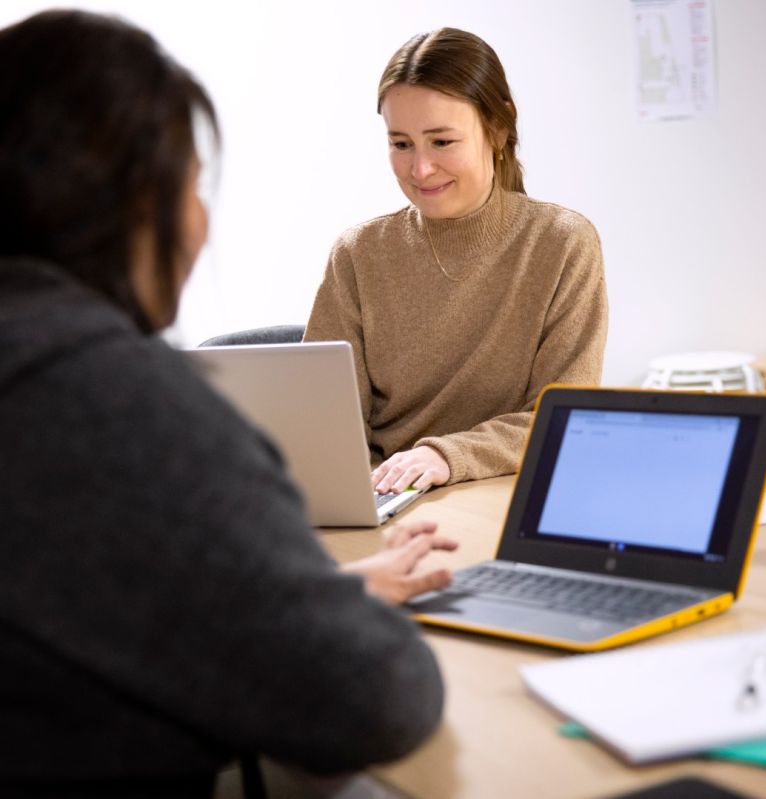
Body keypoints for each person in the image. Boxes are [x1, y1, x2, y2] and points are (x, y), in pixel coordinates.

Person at [0, 10, 458, 798]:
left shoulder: (558, 241)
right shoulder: (119, 405)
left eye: (440, 140)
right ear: (132, 206)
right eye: (189, 184)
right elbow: (380, 696)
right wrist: (311, 605)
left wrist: (306, 594)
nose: (202, 221)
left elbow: (94, 593)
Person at [304, 27, 608, 496]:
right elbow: (323, 424)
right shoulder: (358, 254)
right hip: (390, 501)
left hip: (506, 496)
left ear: (499, 128)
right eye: (401, 144)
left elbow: (565, 418)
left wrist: (444, 456)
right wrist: (365, 496)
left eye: (442, 142)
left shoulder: (562, 244)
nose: (420, 169)